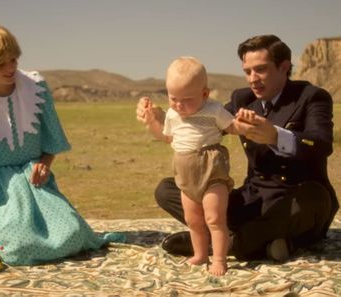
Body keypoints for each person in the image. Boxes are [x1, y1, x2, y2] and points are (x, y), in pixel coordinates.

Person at [136, 34, 339, 262]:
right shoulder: (241, 98)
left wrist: (275, 135)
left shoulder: (311, 97)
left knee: (315, 197)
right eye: (247, 71)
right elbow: (201, 121)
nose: (252, 79)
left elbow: (321, 144)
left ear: (284, 67)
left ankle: (226, 244)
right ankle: (262, 243)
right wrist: (157, 116)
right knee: (168, 189)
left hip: (294, 201)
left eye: (260, 70)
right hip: (253, 201)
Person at [0, 24, 124, 266]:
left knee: (73, 235)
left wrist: (45, 163)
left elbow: (52, 139)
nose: (11, 67)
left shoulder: (36, 87)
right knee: (18, 248)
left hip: (35, 180)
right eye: (0, 63)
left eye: (13, 59)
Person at [142, 57, 253, 275]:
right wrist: (152, 122)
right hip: (185, 174)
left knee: (214, 218)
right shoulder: (173, 114)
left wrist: (244, 122)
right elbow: (166, 137)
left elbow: (232, 127)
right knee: (194, 220)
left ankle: (219, 259)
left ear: (204, 94)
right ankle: (201, 254)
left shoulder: (214, 110)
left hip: (212, 171)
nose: (178, 105)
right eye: (173, 98)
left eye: (186, 99)